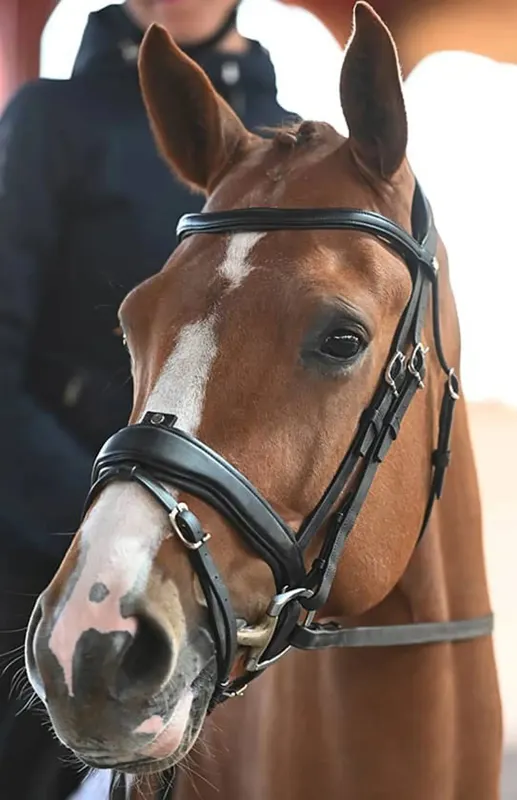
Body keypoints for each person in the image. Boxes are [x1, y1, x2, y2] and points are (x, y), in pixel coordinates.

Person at [0, 2, 298, 797]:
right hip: (58, 539)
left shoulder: (296, 143)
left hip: (240, 560)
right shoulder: (52, 121)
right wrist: (123, 532)